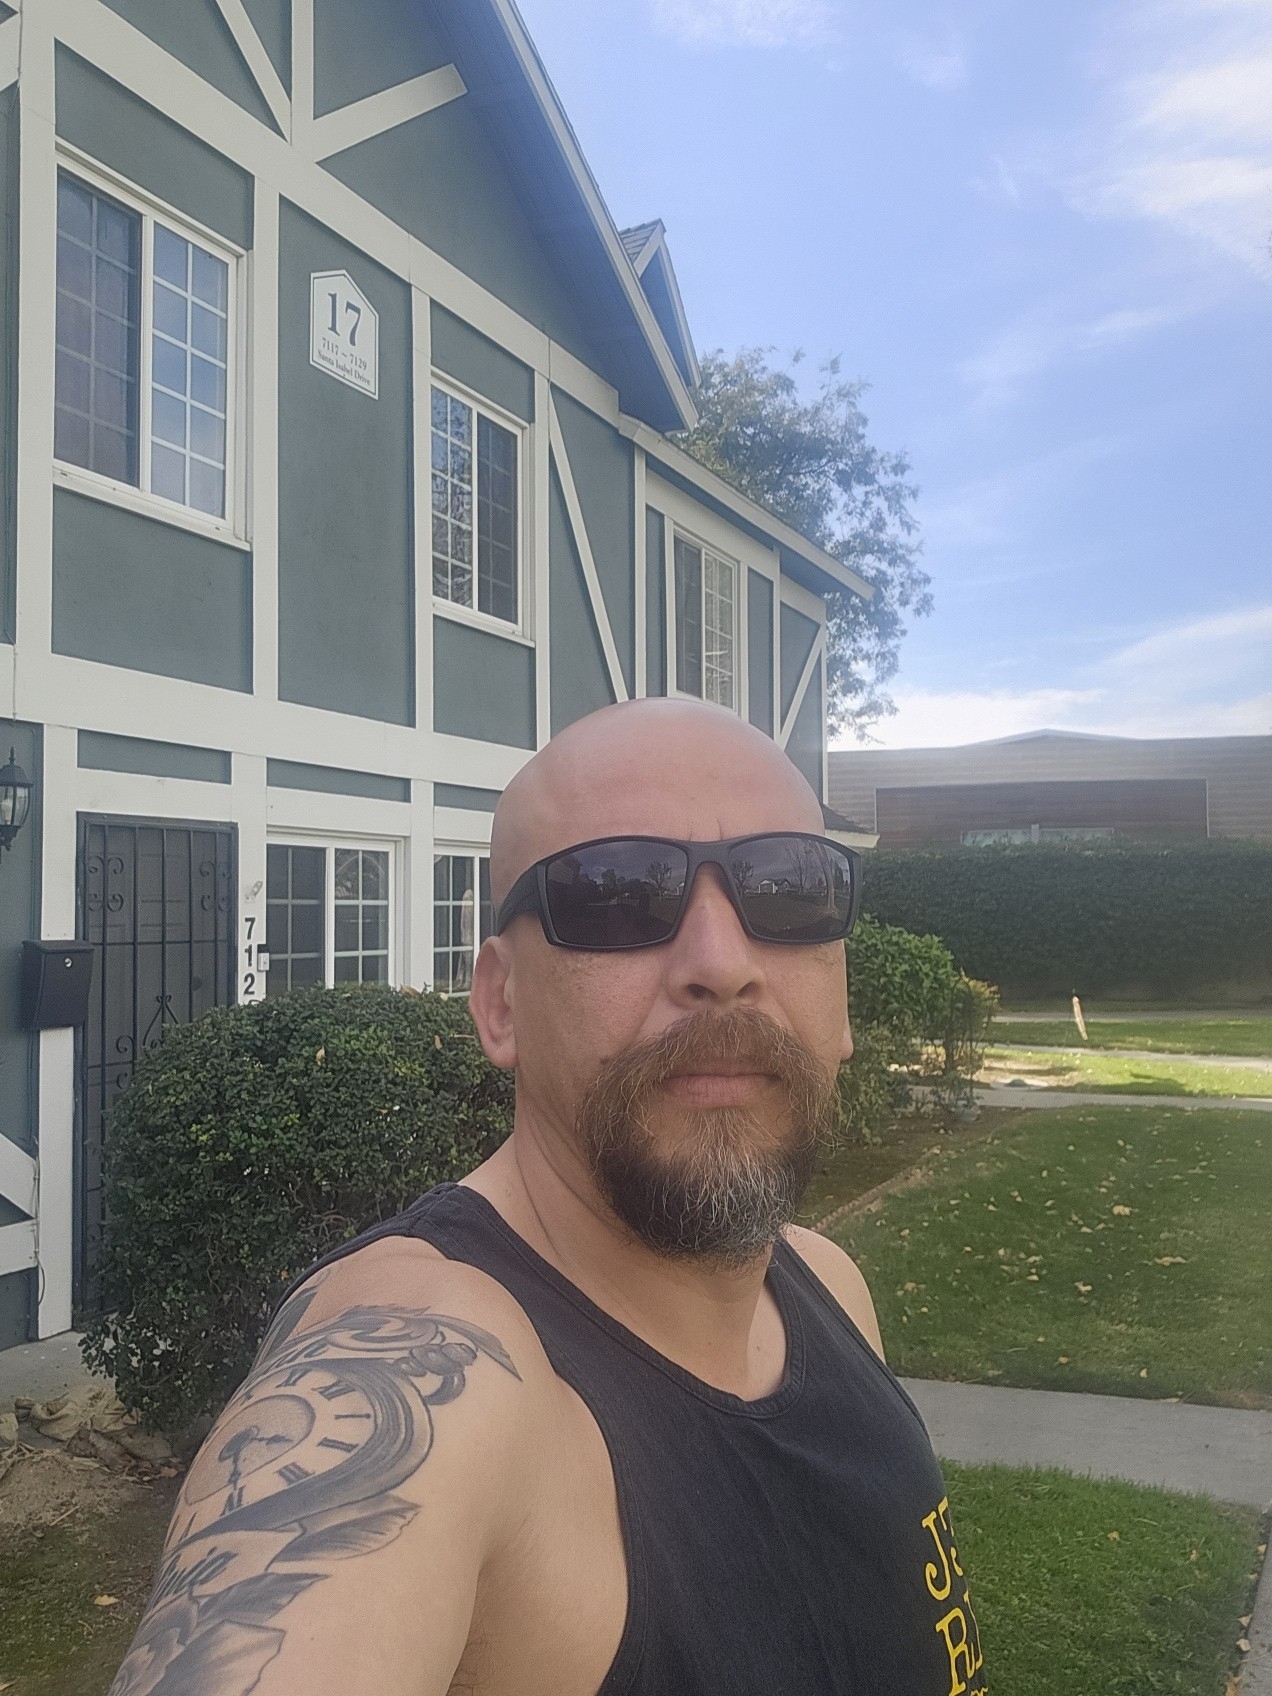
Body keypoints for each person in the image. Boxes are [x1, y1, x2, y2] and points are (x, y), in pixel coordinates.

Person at [109, 699, 986, 1696]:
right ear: (500, 1003)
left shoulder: (831, 1288)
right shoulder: (431, 1367)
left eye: (789, 890)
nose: (723, 965)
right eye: (617, 895)